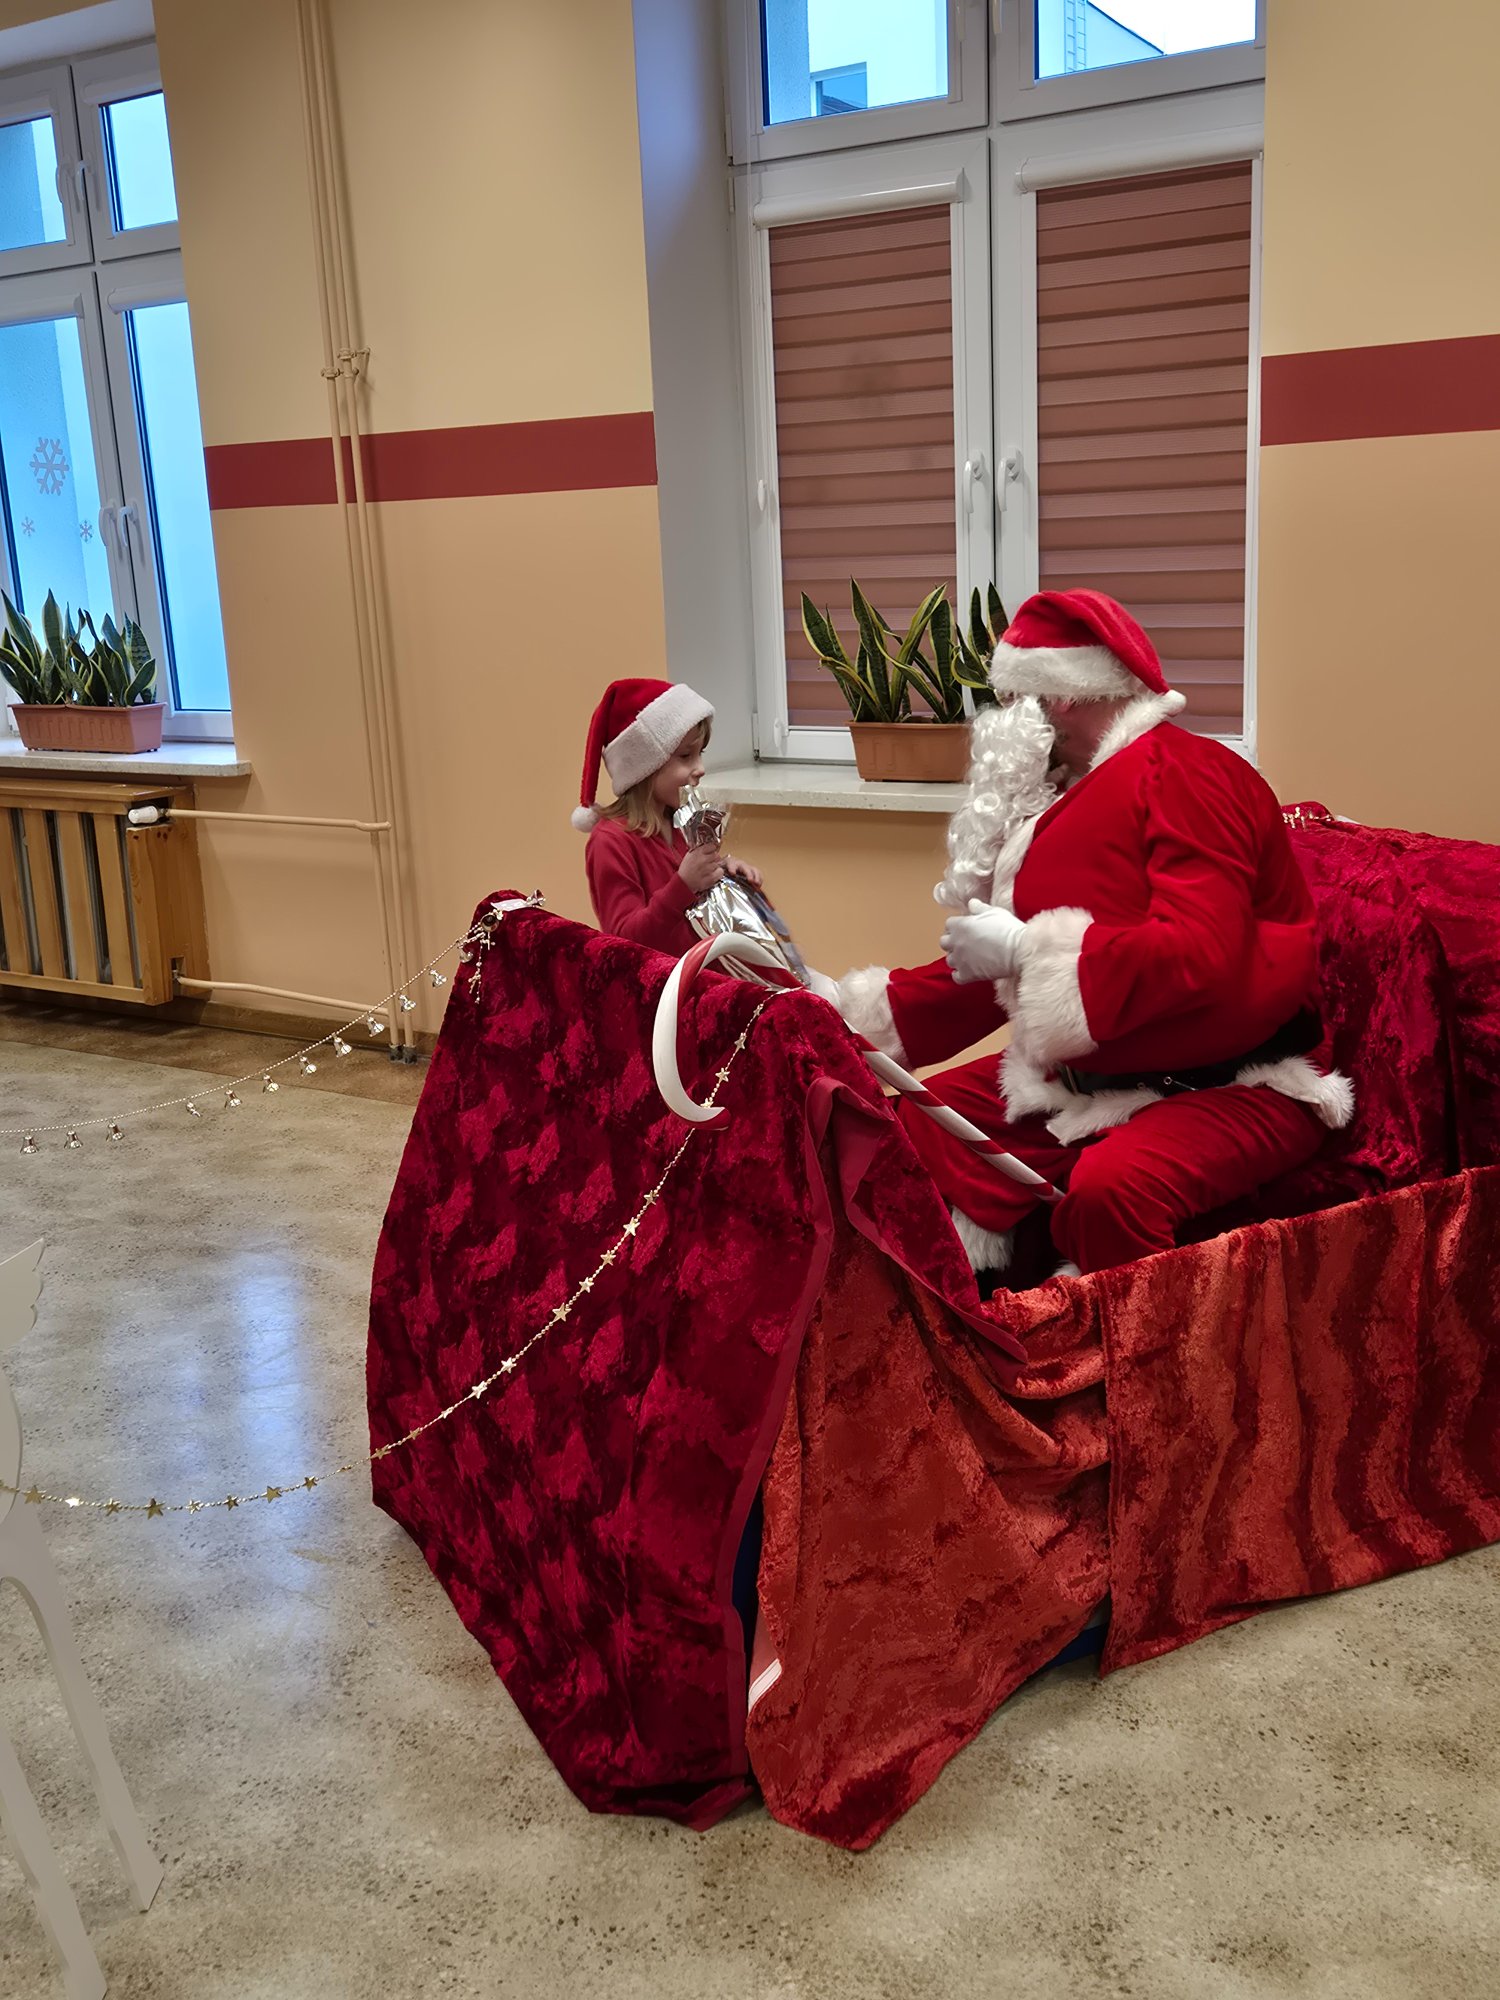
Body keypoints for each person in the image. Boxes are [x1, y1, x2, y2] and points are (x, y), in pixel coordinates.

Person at [817, 589, 1353, 1278]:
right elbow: (1008, 977)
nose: (1004, 718)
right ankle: (983, 1308)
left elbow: (1201, 952)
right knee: (932, 1121)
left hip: (1238, 1082)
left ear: (1063, 694)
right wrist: (848, 1015)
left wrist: (1025, 950)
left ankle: (1120, 1341)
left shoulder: (1187, 777)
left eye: (1015, 697)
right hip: (1100, 1076)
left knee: (1110, 1194)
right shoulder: (1075, 793)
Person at [574, 678, 764, 955]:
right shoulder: (610, 842)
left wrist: (722, 870)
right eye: (686, 756)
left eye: (700, 753)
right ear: (644, 768)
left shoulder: (680, 821)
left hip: (705, 969)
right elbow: (624, 943)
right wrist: (683, 885)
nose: (700, 768)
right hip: (664, 982)